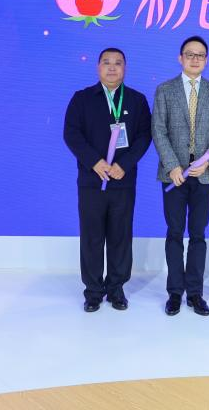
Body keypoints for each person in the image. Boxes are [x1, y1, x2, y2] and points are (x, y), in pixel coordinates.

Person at [63, 47, 152, 313]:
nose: (112, 67)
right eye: (106, 62)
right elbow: (71, 134)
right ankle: (93, 292)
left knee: (120, 236)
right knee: (92, 236)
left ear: (125, 68)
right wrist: (95, 162)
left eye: (118, 63)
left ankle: (116, 289)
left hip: (123, 181)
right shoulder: (82, 99)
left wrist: (124, 164)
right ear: (98, 67)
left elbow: (144, 136)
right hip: (91, 180)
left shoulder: (136, 100)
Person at [152, 35, 209, 316]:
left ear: (206, 60)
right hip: (173, 176)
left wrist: (207, 161)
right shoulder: (165, 90)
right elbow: (158, 130)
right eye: (190, 54)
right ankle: (174, 292)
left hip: (203, 175)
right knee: (174, 233)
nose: (195, 59)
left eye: (200, 55)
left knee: (198, 234)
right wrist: (172, 165)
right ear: (180, 58)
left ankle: (195, 293)